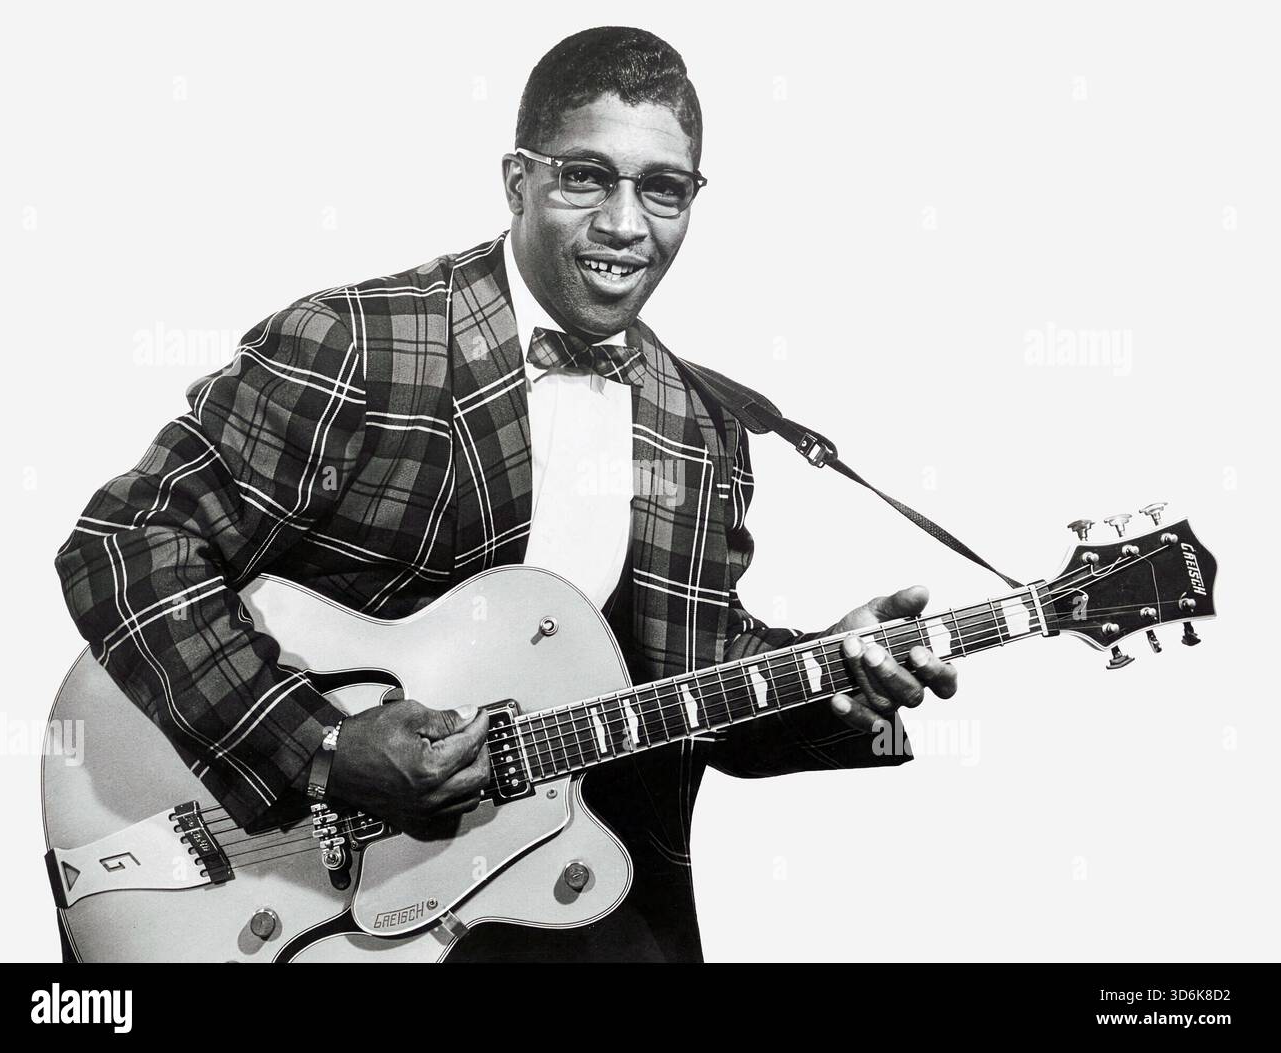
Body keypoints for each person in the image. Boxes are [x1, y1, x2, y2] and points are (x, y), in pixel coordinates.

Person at [54, 25, 956, 962]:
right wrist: (321, 746)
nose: (624, 223)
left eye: (663, 188)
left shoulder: (704, 425)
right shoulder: (364, 342)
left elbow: (691, 679)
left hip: (561, 891)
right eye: (585, 176)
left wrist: (838, 675)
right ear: (516, 180)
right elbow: (126, 543)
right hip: (279, 888)